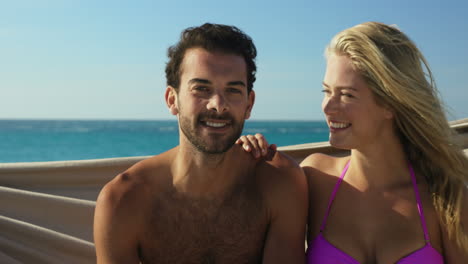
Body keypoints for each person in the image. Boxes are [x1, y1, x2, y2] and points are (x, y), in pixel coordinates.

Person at [238, 22, 468, 263]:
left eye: (346, 95)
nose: (327, 106)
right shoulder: (315, 177)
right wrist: (245, 157)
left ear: (391, 103)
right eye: (326, 91)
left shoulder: (446, 199)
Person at [93, 23, 308, 264]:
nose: (218, 104)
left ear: (249, 104)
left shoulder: (278, 182)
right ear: (172, 99)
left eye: (233, 90)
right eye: (202, 88)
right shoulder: (124, 200)